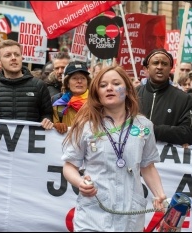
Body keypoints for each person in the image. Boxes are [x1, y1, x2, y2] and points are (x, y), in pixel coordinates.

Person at [61, 65, 166, 232]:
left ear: (127, 90)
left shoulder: (144, 126)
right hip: (92, 215)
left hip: (130, 215)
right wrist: (80, 182)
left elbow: (147, 166)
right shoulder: (86, 126)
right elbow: (69, 166)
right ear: (97, 93)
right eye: (103, 85)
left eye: (116, 83)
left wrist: (159, 194)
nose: (109, 88)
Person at [0, 39, 53, 130]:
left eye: (17, 54)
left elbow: (47, 114)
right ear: (0, 61)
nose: (13, 58)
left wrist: (47, 120)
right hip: (0, 142)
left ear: (22, 57)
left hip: (29, 142)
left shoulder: (39, 85)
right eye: (7, 55)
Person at [137, 49, 192, 146]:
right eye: (155, 63)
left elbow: (188, 132)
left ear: (170, 68)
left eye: (164, 64)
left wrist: (154, 129)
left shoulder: (183, 98)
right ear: (147, 68)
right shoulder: (134, 94)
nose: (160, 67)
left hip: (165, 159)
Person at [52, 61, 91, 134]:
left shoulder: (96, 103)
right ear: (67, 83)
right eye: (74, 78)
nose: (79, 81)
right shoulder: (61, 104)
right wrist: (56, 126)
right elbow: (53, 127)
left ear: (87, 82)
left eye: (83, 78)